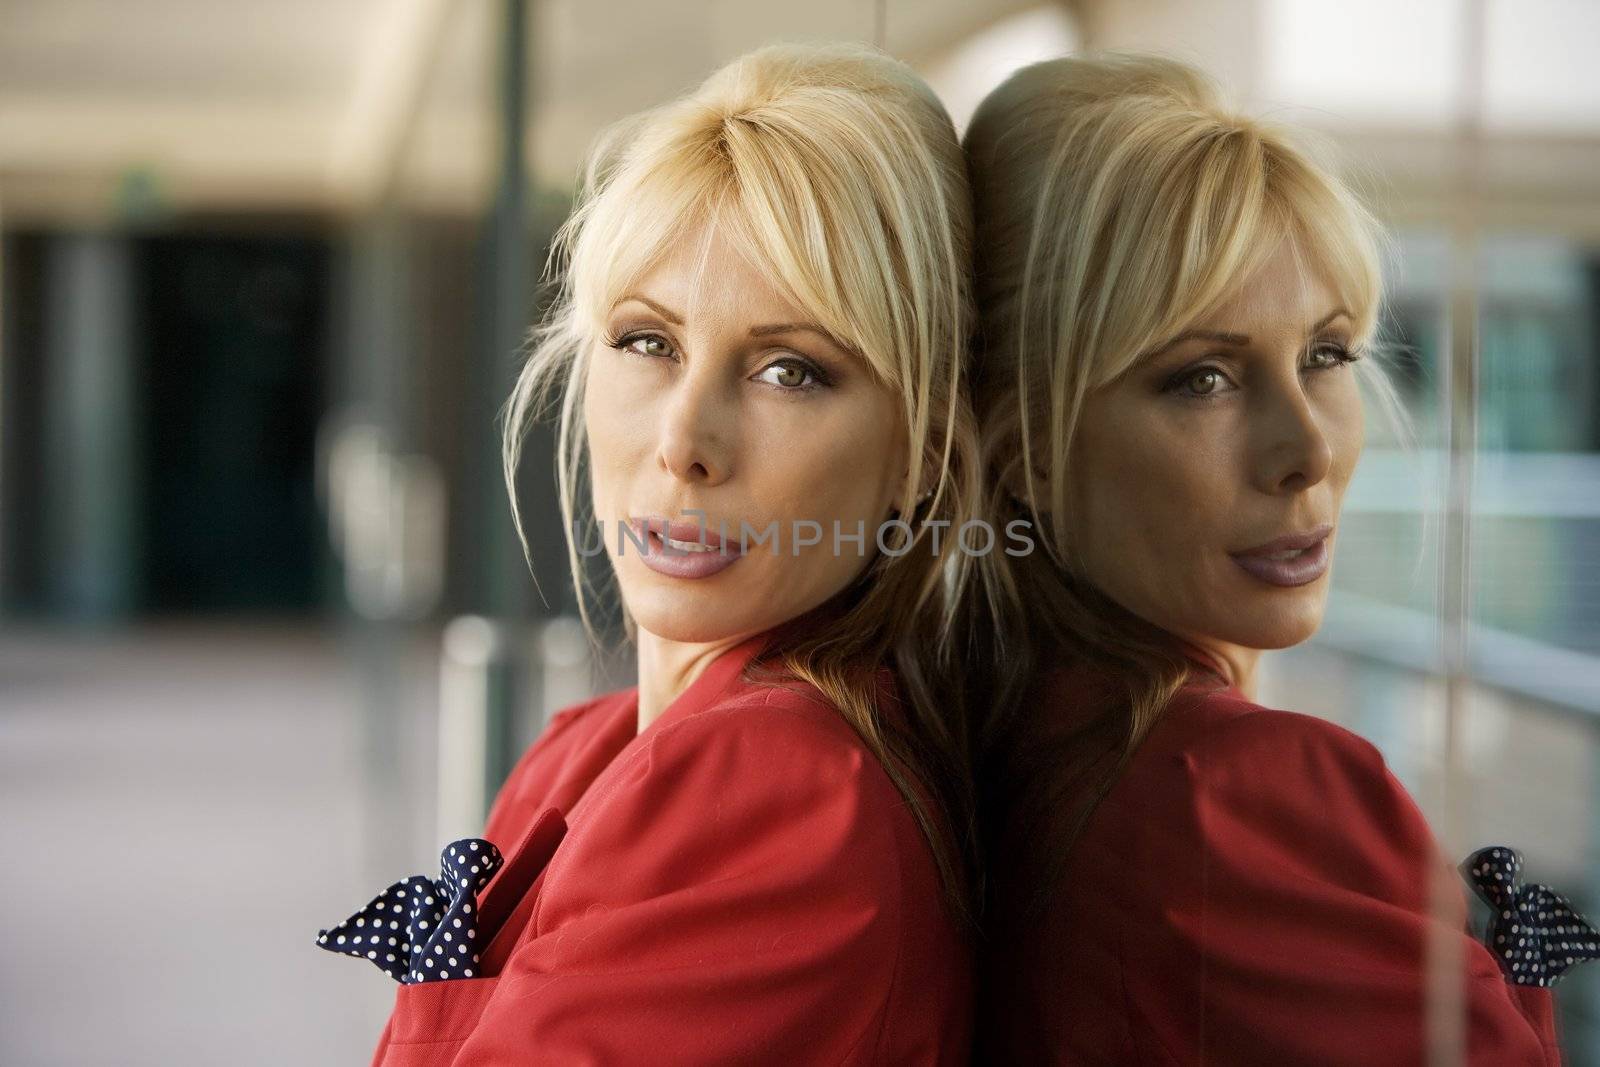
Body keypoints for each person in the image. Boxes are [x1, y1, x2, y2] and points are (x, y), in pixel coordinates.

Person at [319, 41, 982, 1065]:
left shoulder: (772, 783)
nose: (683, 440)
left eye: (788, 370)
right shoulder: (588, 746)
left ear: (919, 456)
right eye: (647, 341)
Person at [964, 52, 1583, 1064]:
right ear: (1026, 449)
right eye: (1201, 377)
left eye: (1326, 354)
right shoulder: (1242, 792)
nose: (1306, 450)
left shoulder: (992, 742)